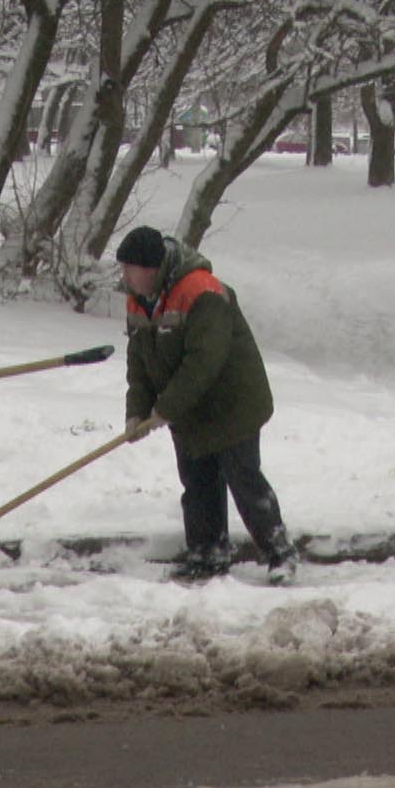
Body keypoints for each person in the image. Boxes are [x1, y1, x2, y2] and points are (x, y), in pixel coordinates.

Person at [115, 226, 300, 585]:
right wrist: (136, 411)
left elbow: (204, 361)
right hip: (188, 406)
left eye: (129, 269)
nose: (124, 277)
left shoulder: (202, 292)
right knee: (197, 481)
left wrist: (164, 409)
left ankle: (280, 553)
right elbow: (138, 362)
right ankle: (207, 554)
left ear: (150, 268)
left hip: (231, 401)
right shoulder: (138, 300)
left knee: (242, 479)